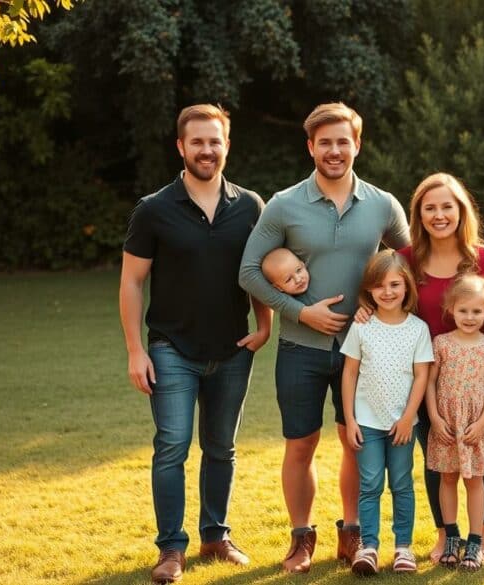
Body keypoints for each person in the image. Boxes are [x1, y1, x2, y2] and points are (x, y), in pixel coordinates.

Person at [238, 102, 410, 573]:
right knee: (301, 444)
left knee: (356, 442)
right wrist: (299, 312)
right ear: (311, 146)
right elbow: (249, 271)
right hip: (300, 349)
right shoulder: (284, 204)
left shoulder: (382, 204)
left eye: (343, 141)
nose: (335, 151)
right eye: (325, 142)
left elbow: (408, 264)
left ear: (357, 144)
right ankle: (301, 538)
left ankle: (352, 535)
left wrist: (380, 305)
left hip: (366, 352)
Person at [119, 104, 271, 584]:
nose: (207, 150)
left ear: (227, 145)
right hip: (171, 350)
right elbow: (130, 283)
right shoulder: (154, 209)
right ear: (181, 147)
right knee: (172, 446)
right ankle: (170, 550)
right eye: (197, 142)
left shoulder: (250, 206)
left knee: (221, 448)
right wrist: (135, 350)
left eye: (215, 141)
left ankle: (215, 535)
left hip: (232, 349)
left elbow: (259, 272)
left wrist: (264, 324)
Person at [355, 172, 484, 561]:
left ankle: (483, 534)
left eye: (447, 207)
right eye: (430, 208)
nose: (439, 215)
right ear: (418, 215)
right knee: (436, 460)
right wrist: (366, 310)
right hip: (423, 380)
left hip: (475, 381)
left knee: (478, 460)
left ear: (461, 211)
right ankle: (445, 535)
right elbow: (385, 294)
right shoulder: (406, 260)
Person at [340, 251, 433, 575]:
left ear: (406, 286)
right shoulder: (362, 327)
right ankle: (368, 548)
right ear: (369, 290)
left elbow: (421, 375)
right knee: (370, 484)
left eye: (395, 284)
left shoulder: (418, 329)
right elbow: (349, 373)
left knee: (402, 484)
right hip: (366, 422)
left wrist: (409, 417)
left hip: (402, 424)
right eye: (379, 286)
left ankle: (403, 548)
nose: (388, 291)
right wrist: (350, 420)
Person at [425, 274, 484, 571]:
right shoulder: (441, 343)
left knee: (475, 479)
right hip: (445, 422)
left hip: (474, 424)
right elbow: (430, 383)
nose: (469, 317)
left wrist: (483, 422)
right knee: (447, 477)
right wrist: (434, 416)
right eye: (463, 310)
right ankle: (451, 537)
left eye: (477, 311)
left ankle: (475, 540)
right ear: (451, 310)